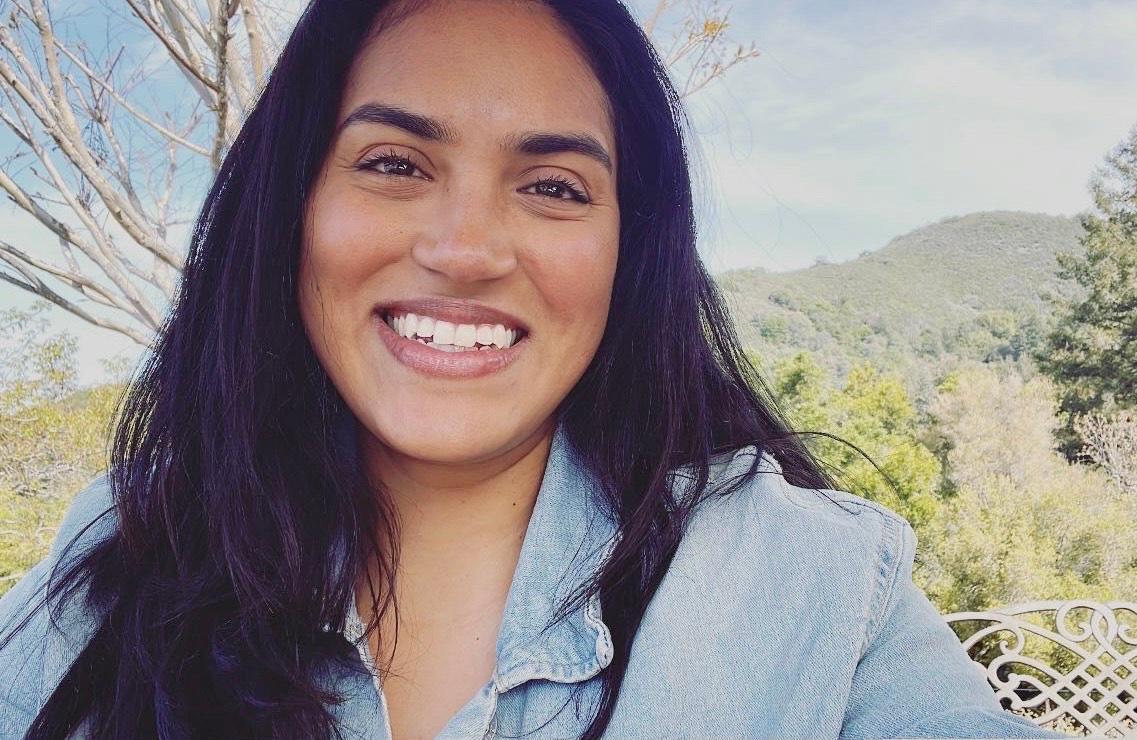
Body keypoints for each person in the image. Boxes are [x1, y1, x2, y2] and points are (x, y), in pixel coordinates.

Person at [0, 1, 1065, 738]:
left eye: (553, 185)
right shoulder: (115, 567)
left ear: (627, 250)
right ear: (292, 208)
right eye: (393, 163)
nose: (467, 248)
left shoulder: (809, 588)